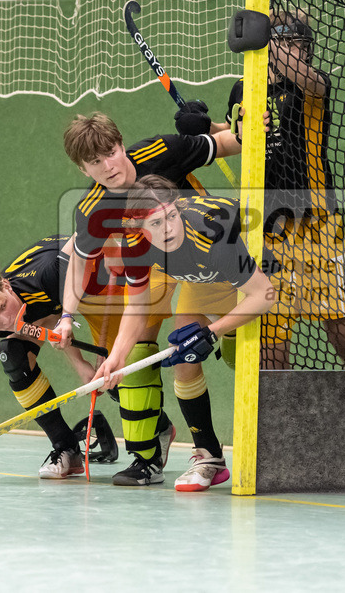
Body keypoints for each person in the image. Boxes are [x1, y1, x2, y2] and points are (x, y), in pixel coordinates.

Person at [54, 111, 243, 486]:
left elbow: (234, 143)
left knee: (246, 354)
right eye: (94, 162)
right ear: (83, 170)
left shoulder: (161, 151)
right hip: (161, 266)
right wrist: (67, 318)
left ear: (121, 145)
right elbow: (80, 263)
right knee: (156, 349)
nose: (108, 166)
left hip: (216, 251)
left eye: (111, 152)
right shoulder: (93, 211)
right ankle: (170, 455)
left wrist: (216, 127)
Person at [93, 175, 277, 491]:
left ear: (179, 208)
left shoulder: (211, 234)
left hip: (263, 266)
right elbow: (138, 309)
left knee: (253, 360)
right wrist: (116, 359)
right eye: (155, 223)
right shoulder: (135, 247)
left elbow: (264, 294)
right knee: (184, 360)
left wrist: (213, 333)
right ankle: (209, 457)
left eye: (171, 217)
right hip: (206, 277)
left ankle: (278, 451)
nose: (168, 229)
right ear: (138, 227)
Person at [226, 10, 345, 370]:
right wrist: (203, 127)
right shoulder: (244, 88)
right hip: (266, 227)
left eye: (301, 45)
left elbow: (301, 76)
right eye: (289, 42)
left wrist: (270, 41)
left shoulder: (313, 84)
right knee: (270, 343)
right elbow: (237, 137)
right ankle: (280, 419)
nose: (297, 51)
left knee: (339, 324)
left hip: (318, 222)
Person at [0, 234, 143, 478]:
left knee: (115, 370)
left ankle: (159, 429)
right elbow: (51, 320)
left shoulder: (48, 274)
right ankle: (66, 448)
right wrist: (81, 364)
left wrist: (89, 359)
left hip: (93, 272)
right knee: (13, 356)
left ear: (6, 285)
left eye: (2, 307)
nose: (5, 320)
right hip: (54, 300)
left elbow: (59, 309)